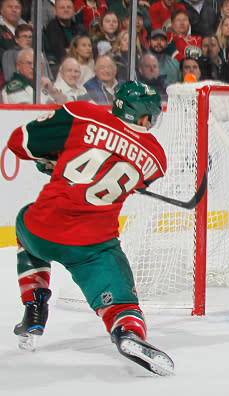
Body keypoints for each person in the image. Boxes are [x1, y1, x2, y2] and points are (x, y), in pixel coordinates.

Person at [7, 80, 174, 375]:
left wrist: (50, 158)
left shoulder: (81, 114)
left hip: (43, 229)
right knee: (121, 299)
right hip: (94, 246)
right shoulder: (156, 159)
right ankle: (128, 332)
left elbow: (19, 142)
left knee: (24, 223)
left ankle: (34, 305)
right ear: (146, 117)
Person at [43, 0, 88, 77]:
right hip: (63, 71)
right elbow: (60, 54)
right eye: (62, 7)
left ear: (73, 10)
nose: (66, 10)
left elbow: (91, 48)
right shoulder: (52, 28)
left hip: (83, 67)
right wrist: (79, 51)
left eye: (69, 7)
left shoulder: (79, 27)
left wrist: (70, 50)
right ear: (55, 11)